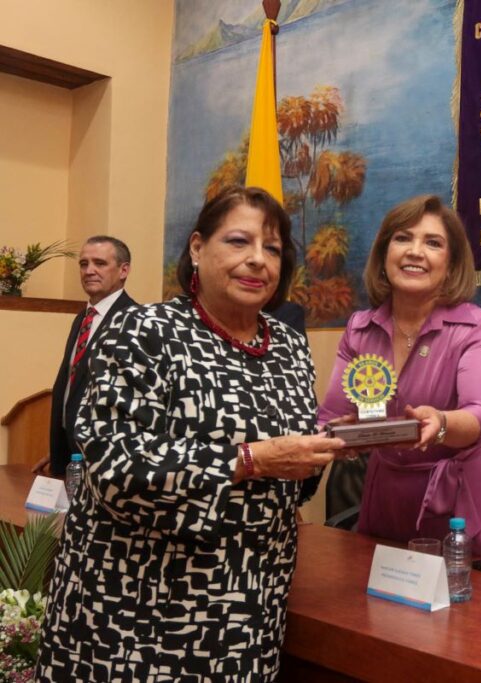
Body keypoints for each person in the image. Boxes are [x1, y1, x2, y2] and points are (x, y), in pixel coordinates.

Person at [37, 186, 345, 680]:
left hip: (249, 602)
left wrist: (320, 448)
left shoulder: (288, 344)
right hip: (134, 609)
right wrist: (249, 460)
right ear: (198, 248)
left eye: (272, 249)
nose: (257, 261)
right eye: (239, 242)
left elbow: (290, 476)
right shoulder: (142, 331)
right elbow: (116, 465)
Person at [318, 195, 481, 561]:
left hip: (459, 495)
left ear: (451, 262)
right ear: (383, 253)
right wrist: (342, 436)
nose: (415, 251)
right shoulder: (360, 329)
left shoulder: (476, 326)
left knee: (474, 612)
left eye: (433, 242)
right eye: (402, 238)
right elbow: (329, 419)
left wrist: (441, 422)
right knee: (381, 609)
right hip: (387, 490)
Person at [40, 236, 136, 477]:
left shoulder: (136, 321)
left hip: (106, 463)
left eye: (100, 263)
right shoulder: (82, 318)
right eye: (84, 264)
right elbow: (73, 386)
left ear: (123, 270)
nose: (89, 271)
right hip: (71, 457)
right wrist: (59, 451)